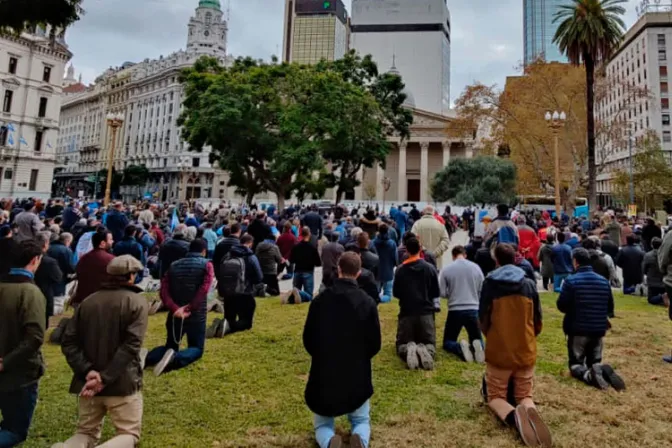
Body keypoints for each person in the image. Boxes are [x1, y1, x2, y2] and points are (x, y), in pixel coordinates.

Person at [56, 255, 148, 448]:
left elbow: (68, 341)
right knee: (129, 433)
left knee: (85, 432)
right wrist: (104, 378)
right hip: (122, 383)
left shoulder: (88, 302)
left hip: (87, 383)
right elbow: (132, 344)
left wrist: (88, 372)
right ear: (131, 276)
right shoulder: (136, 302)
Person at [303, 252, 381, 448]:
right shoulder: (367, 302)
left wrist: (322, 355)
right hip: (357, 372)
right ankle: (360, 441)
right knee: (361, 420)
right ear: (358, 272)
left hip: (325, 372)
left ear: (339, 270)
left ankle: (329, 442)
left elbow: (308, 338)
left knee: (322, 423)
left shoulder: (320, 301)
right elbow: (375, 343)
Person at [479, 244, 550, 447]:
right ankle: (529, 410)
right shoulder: (528, 284)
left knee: (495, 396)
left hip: (500, 351)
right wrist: (531, 335)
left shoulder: (490, 284)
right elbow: (537, 318)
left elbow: (483, 317)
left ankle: (513, 417)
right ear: (515, 258)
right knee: (524, 395)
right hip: (526, 348)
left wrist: (490, 336)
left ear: (496, 260)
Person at [557, 248, 625, 391]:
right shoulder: (603, 281)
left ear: (575, 262)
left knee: (576, 364)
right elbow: (610, 307)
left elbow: (561, 305)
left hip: (578, 328)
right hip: (598, 328)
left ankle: (588, 375)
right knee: (595, 361)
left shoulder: (571, 281)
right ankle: (599, 369)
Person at [0, 240, 45, 447]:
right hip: (19, 373)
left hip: (12, 367)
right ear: (34, 260)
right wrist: (6, 362)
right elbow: (34, 337)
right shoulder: (29, 292)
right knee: (15, 430)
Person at [147, 240, 214, 375]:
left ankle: (146, 358)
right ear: (204, 251)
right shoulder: (207, 265)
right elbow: (204, 289)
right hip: (196, 314)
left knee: (170, 345)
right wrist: (190, 307)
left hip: (175, 313)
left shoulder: (174, 265)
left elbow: (163, 291)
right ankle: (175, 359)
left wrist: (174, 308)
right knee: (196, 348)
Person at [392, 237, 440, 370]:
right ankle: (425, 351)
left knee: (401, 344)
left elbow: (396, 293)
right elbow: (435, 292)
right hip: (426, 313)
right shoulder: (430, 268)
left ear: (406, 250)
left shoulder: (400, 270)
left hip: (407, 312)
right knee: (430, 343)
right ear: (421, 249)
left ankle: (409, 349)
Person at [210, 234, 263, 337]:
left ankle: (224, 324)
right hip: (244, 291)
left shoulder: (228, 255)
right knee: (246, 322)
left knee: (229, 315)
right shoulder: (250, 257)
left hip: (228, 292)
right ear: (250, 243)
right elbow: (259, 276)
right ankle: (229, 326)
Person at [439, 245, 485, 362]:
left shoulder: (447, 269)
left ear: (453, 256)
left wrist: (452, 294)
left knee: (448, 341)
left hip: (455, 310)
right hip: (473, 308)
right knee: (477, 339)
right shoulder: (476, 268)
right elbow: (482, 289)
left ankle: (460, 348)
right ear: (465, 255)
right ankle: (477, 348)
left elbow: (442, 292)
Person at [34, 231, 63, 328]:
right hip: (44, 292)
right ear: (46, 244)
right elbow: (58, 277)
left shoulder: (25, 256)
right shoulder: (49, 262)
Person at [286, 227, 322, 304]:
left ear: (301, 234)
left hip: (297, 271)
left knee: (296, 294)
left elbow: (291, 260)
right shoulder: (312, 248)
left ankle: (293, 294)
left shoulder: (296, 247)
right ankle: (297, 292)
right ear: (309, 234)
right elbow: (318, 263)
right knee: (309, 295)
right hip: (308, 271)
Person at [374, 223, 398, 303]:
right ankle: (378, 299)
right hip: (388, 269)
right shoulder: (392, 243)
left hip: (376, 271)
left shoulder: (373, 242)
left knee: (375, 292)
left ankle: (376, 299)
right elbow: (395, 258)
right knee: (388, 294)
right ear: (388, 231)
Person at [642, 237, 665, 305]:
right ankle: (663, 296)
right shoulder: (664, 255)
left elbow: (644, 269)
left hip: (652, 281)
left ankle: (661, 297)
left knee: (650, 299)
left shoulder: (647, 255)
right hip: (663, 281)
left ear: (652, 245)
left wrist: (647, 273)